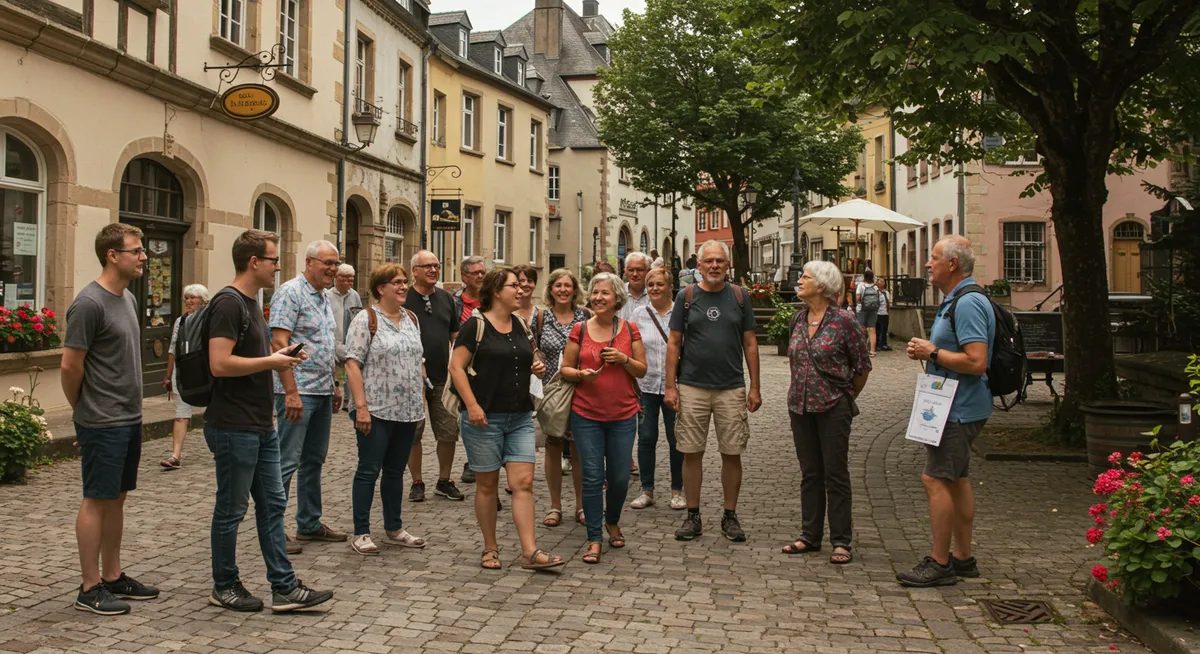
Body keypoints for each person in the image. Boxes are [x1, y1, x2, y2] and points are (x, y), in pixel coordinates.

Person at [204, 229, 334, 613]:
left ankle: (284, 586)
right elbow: (219, 363)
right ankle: (224, 584)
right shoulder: (228, 304)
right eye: (274, 260)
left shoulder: (251, 302)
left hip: (259, 424)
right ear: (253, 262)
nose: (279, 266)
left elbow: (253, 355)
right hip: (232, 424)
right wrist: (273, 362)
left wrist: (282, 355)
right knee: (231, 509)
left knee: (273, 503)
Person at [63, 223, 160, 615]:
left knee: (117, 498)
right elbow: (71, 366)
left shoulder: (128, 300)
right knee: (96, 498)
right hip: (101, 419)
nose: (143, 257)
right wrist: (82, 410)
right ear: (112, 255)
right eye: (136, 251)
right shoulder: (89, 303)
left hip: (128, 416)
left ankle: (113, 575)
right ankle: (89, 587)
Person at [449, 268, 565, 572]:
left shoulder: (521, 324)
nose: (521, 289)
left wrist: (534, 368)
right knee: (487, 485)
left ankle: (530, 551)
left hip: (519, 416)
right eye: (514, 285)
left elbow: (522, 360)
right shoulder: (475, 325)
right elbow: (457, 368)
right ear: (497, 291)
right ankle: (490, 547)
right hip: (484, 418)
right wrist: (472, 406)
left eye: (522, 285)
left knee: (522, 483)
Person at [899, 236, 995, 587]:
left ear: (952, 264)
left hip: (958, 408)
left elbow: (976, 361)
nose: (927, 263)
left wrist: (932, 353)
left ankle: (941, 563)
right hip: (957, 405)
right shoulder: (958, 299)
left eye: (934, 257)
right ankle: (963, 558)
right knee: (958, 480)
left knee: (935, 479)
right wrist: (931, 351)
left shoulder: (967, 303)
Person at [664, 240, 761, 542]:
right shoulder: (686, 296)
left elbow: (750, 343)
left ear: (727, 264)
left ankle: (729, 516)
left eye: (720, 261)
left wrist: (755, 386)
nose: (715, 266)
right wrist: (670, 386)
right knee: (691, 453)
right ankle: (693, 515)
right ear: (700, 265)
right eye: (709, 261)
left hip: (730, 387)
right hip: (692, 386)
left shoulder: (740, 297)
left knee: (732, 453)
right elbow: (674, 342)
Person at [782, 261, 871, 565]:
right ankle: (810, 535)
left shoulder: (844, 321)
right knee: (810, 473)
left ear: (821, 286)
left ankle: (841, 541)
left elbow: (862, 367)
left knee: (835, 473)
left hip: (834, 406)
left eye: (805, 277)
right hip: (800, 405)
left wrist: (845, 397)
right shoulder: (797, 319)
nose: (799, 280)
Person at [560, 273, 647, 564]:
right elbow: (565, 370)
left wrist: (623, 360)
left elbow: (641, 370)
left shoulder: (629, 329)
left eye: (605, 293)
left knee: (620, 477)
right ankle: (595, 537)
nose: (598, 297)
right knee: (593, 476)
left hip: (623, 415)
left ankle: (613, 520)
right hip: (586, 414)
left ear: (617, 298)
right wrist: (580, 374)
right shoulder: (580, 330)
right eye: (595, 292)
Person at [269, 240, 346, 554]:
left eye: (335, 263)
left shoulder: (323, 297)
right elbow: (278, 344)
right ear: (309, 262)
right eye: (327, 263)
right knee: (286, 461)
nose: (332, 269)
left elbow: (324, 345)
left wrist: (336, 384)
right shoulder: (291, 292)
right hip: (298, 391)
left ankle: (309, 523)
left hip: (322, 389)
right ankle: (275, 530)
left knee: (313, 460)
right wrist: (290, 392)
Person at [345, 263, 428, 555]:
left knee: (395, 471)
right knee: (368, 470)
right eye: (397, 282)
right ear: (381, 288)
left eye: (405, 281)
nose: (404, 286)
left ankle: (394, 527)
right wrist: (361, 407)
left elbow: (418, 360)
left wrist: (421, 395)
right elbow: (352, 363)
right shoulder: (367, 319)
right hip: (376, 410)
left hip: (407, 411)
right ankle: (361, 532)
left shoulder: (412, 319)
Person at [405, 250, 464, 503]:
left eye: (436, 266)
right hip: (411, 378)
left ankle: (444, 479)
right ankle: (417, 480)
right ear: (414, 270)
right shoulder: (403, 297)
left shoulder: (447, 298)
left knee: (448, 430)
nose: (433, 270)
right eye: (427, 266)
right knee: (414, 432)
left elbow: (454, 337)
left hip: (442, 376)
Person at [534, 269, 589, 527]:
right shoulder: (541, 317)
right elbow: (531, 349)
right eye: (558, 285)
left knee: (579, 450)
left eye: (568, 285)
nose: (563, 290)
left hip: (582, 390)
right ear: (551, 289)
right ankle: (555, 506)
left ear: (575, 289)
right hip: (552, 391)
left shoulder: (585, 317)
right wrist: (536, 364)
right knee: (553, 448)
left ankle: (581, 506)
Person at [629, 267, 685, 510]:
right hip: (646, 385)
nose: (654, 289)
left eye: (659, 284)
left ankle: (677, 491)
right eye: (650, 284)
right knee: (647, 437)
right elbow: (629, 346)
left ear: (670, 286)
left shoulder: (682, 312)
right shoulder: (639, 314)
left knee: (677, 440)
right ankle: (647, 489)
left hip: (676, 386)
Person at [160, 284, 210, 470]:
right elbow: (173, 348)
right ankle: (175, 455)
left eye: (192, 298)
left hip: (207, 372)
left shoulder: (210, 319)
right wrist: (168, 375)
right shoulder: (180, 322)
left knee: (213, 412)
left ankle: (219, 449)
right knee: (181, 414)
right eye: (186, 298)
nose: (188, 301)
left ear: (203, 301)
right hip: (184, 372)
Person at [451, 255, 487, 487]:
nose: (481, 276)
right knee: (465, 413)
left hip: (487, 366)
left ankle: (481, 461)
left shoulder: (491, 299)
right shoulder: (454, 302)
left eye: (483, 272)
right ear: (464, 277)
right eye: (476, 273)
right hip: (461, 365)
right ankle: (473, 460)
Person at [329, 264, 362, 412]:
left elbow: (359, 315)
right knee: (332, 370)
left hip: (349, 338)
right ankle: (332, 398)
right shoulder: (327, 295)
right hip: (333, 338)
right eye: (347, 279)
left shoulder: (354, 295)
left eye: (352, 279)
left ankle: (349, 401)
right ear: (338, 278)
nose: (350, 282)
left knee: (351, 367)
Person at [619, 252, 652, 322]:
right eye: (631, 270)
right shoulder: (618, 294)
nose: (635, 274)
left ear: (647, 271)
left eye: (640, 270)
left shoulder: (654, 294)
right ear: (625, 271)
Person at [855, 270, 880, 356]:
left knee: (862, 329)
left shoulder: (861, 286)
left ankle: (863, 350)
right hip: (873, 310)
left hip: (862, 309)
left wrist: (858, 303)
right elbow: (878, 298)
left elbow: (858, 298)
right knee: (872, 329)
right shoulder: (875, 287)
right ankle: (873, 351)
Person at [876, 278, 892, 351]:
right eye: (880, 281)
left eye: (883, 281)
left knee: (884, 330)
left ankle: (884, 344)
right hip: (877, 313)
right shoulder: (875, 291)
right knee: (877, 329)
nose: (882, 283)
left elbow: (887, 302)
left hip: (885, 313)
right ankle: (878, 344)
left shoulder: (886, 292)